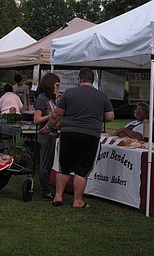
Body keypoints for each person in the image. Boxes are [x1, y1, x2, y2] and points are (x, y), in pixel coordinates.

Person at [41, 68, 114, 208]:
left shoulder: (69, 93)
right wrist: (97, 116)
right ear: (93, 81)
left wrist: (48, 127)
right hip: (91, 134)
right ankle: (77, 201)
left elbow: (56, 115)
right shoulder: (102, 96)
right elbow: (110, 117)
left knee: (64, 167)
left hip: (69, 133)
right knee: (82, 169)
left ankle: (58, 196)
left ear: (79, 79)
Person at [34, 73, 61, 200]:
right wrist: (50, 116)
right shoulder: (41, 98)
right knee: (45, 164)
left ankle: (49, 187)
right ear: (50, 85)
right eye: (56, 85)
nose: (58, 88)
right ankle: (45, 191)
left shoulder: (54, 99)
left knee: (51, 164)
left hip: (54, 133)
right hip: (46, 134)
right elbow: (36, 119)